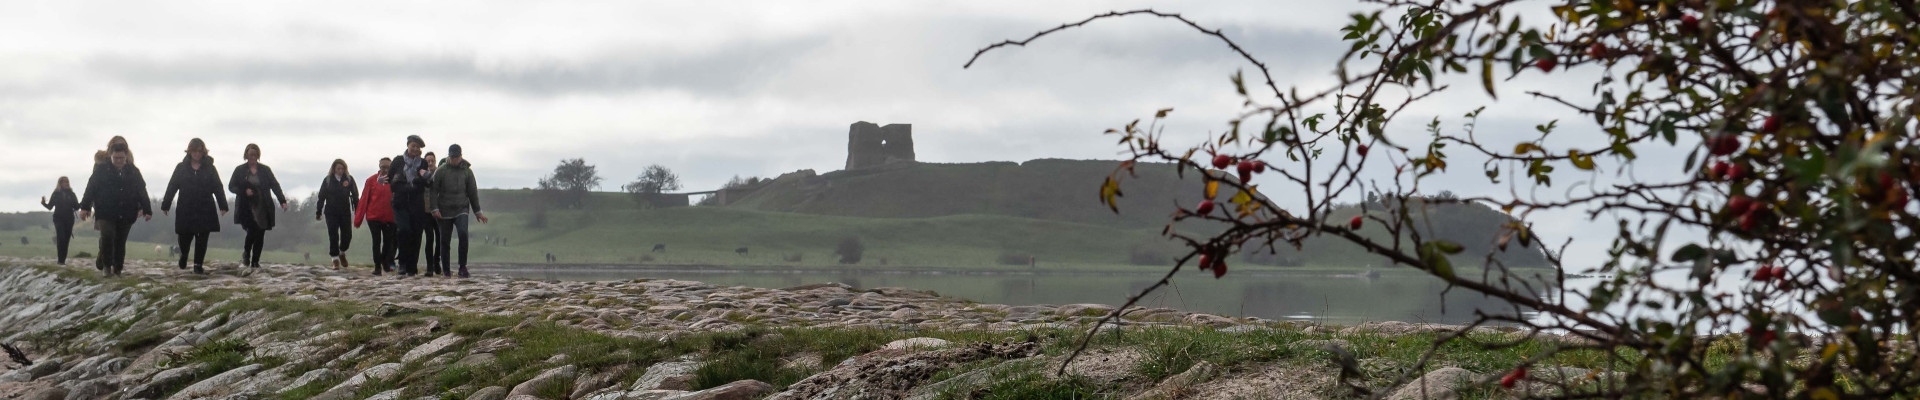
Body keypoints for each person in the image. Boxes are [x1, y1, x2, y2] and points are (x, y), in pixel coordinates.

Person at [78, 142, 150, 277]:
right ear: (110, 156)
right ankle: (106, 266)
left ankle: (118, 268)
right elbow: (91, 188)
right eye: (116, 158)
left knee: (120, 241)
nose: (118, 161)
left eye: (121, 158)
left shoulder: (133, 171)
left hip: (127, 211)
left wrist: (146, 209)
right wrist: (85, 207)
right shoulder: (101, 170)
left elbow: (141, 191)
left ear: (126, 157)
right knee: (107, 236)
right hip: (106, 211)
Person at [159, 138, 229, 274]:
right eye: (194, 151)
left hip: (205, 208)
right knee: (184, 237)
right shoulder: (181, 167)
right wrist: (166, 204)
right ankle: (184, 255)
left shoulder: (210, 168)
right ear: (189, 151)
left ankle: (198, 265)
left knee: (202, 237)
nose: (197, 154)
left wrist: (223, 205)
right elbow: (172, 185)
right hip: (186, 208)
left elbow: (218, 187)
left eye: (200, 151)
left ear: (203, 152)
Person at [427, 144, 489, 278]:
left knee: (463, 233)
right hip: (444, 209)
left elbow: (472, 192)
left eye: (457, 157)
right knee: (444, 240)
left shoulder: (467, 171)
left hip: (462, 208)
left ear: (461, 156)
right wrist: (434, 209)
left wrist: (478, 212)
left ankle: (462, 267)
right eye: (452, 157)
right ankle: (447, 270)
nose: (454, 160)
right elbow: (433, 191)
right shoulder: (441, 171)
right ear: (449, 156)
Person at [230, 144, 287, 269]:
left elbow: (274, 185)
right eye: (250, 155)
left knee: (260, 233)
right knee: (252, 230)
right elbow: (231, 186)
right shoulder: (239, 170)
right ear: (246, 155)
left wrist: (282, 200)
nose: (253, 157)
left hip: (263, 205)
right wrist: (243, 191)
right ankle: (246, 255)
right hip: (246, 206)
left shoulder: (265, 170)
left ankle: (255, 261)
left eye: (255, 155)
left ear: (258, 156)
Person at [385, 135, 431, 276]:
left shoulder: (423, 163)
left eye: (418, 147)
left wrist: (425, 177)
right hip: (400, 202)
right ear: (408, 145)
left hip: (416, 204)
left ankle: (412, 266)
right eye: (413, 146)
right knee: (404, 230)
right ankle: (402, 264)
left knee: (416, 234)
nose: (415, 149)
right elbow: (391, 180)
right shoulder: (398, 161)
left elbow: (425, 183)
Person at [316, 159, 360, 270]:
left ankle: (342, 252)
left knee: (347, 235)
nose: (340, 171)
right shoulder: (328, 180)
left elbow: (355, 195)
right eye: (338, 169)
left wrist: (357, 210)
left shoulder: (349, 179)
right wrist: (319, 211)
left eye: (342, 168)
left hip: (345, 212)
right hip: (331, 212)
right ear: (334, 169)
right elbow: (321, 196)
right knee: (333, 235)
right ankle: (335, 259)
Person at [356, 157, 396, 275]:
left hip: (390, 217)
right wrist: (358, 219)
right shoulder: (371, 180)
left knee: (388, 242)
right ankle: (377, 266)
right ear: (379, 167)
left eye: (387, 168)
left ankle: (384, 260)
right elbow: (364, 199)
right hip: (374, 216)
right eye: (383, 167)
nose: (385, 170)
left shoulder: (395, 180)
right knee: (376, 241)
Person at [39, 177, 78, 265]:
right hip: (58, 218)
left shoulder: (72, 194)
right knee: (61, 237)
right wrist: (43, 203)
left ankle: (62, 260)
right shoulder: (56, 194)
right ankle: (60, 260)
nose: (67, 184)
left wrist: (86, 203)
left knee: (66, 240)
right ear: (60, 184)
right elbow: (50, 207)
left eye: (68, 182)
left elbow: (76, 207)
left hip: (69, 219)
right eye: (65, 182)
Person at [419, 151, 443, 276]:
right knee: (429, 238)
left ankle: (436, 261)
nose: (430, 163)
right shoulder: (421, 175)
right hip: (426, 211)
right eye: (428, 161)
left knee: (439, 238)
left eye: (432, 160)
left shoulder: (439, 174)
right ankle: (429, 267)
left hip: (438, 211)